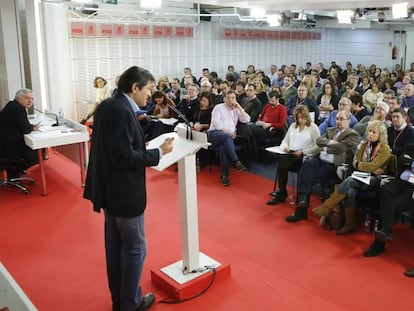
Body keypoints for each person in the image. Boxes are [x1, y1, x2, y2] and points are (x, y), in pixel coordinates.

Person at [83, 66, 174, 311]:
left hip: (110, 190)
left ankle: (120, 300)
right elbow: (123, 157)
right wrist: (158, 152)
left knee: (115, 249)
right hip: (124, 193)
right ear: (135, 87)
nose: (150, 95)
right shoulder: (122, 111)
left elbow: (116, 149)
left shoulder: (110, 106)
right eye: (148, 89)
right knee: (134, 249)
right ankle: (131, 303)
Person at [312, 120, 391, 235]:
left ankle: (327, 206)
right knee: (350, 190)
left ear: (381, 134)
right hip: (360, 176)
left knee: (350, 180)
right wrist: (364, 166)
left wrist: (362, 166)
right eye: (369, 131)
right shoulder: (364, 144)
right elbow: (355, 161)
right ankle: (349, 224)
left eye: (374, 132)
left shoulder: (385, 149)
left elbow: (372, 165)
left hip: (375, 180)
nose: (370, 134)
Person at [285, 111, 360, 222]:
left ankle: (301, 208)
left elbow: (342, 147)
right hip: (320, 159)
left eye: (341, 119)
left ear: (348, 120)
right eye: (337, 119)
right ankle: (303, 201)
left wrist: (326, 146)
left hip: (333, 166)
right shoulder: (331, 130)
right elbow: (319, 141)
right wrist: (331, 142)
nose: (338, 121)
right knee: (306, 165)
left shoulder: (352, 134)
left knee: (306, 176)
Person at [363, 147, 414, 259]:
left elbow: (408, 161)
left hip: (412, 189)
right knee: (386, 191)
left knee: (388, 204)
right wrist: (408, 162)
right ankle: (385, 234)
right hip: (401, 182)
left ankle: (383, 235)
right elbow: (401, 159)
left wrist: (410, 162)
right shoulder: (412, 146)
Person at [267, 105, 320, 205]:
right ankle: (281, 191)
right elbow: (285, 141)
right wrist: (286, 147)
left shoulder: (313, 128)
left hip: (303, 156)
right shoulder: (292, 126)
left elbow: (318, 147)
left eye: (302, 117)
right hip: (290, 153)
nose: (300, 120)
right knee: (282, 159)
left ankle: (281, 192)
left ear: (306, 117)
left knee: (282, 162)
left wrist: (304, 152)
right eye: (298, 117)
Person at [208, 90, 250, 186]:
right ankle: (236, 161)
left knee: (224, 147)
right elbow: (217, 125)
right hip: (214, 134)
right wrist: (229, 133)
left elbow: (247, 119)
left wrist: (239, 107)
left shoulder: (236, 109)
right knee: (226, 137)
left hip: (227, 138)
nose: (231, 100)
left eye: (233, 98)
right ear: (224, 99)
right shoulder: (218, 108)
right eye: (228, 98)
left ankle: (224, 175)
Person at [0, 89, 39, 178]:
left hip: (3, 143)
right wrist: (33, 128)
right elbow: (26, 129)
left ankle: (13, 170)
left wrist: (30, 126)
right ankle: (14, 171)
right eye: (27, 98)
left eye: (32, 99)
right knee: (37, 154)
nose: (30, 101)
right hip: (7, 148)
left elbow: (20, 124)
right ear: (18, 98)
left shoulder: (11, 104)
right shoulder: (19, 109)